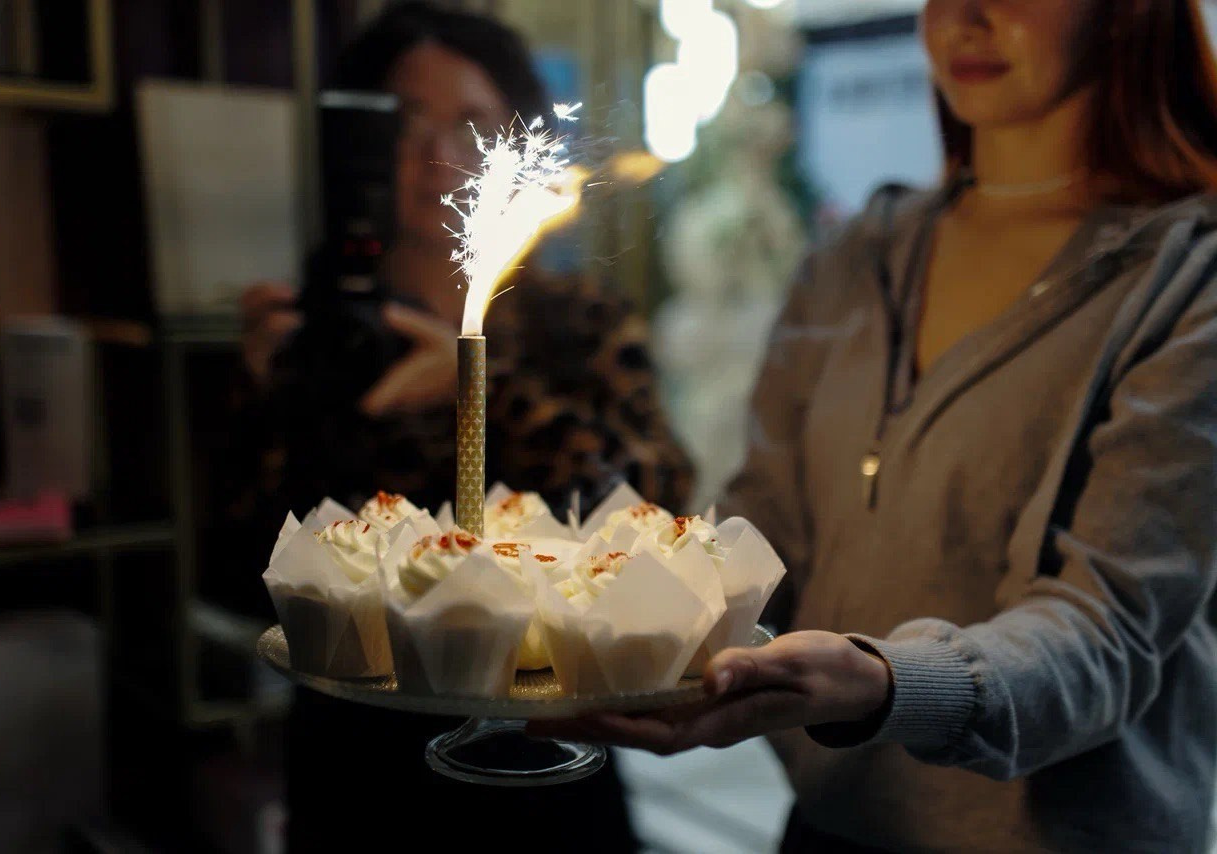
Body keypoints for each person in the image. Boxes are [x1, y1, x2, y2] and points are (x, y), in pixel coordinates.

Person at [533, 1, 1217, 851]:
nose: (965, 17)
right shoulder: (858, 257)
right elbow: (768, 526)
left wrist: (888, 683)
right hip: (834, 822)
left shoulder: (1187, 282)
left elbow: (1109, 627)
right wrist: (622, 620)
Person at [216, 3, 693, 852]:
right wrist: (263, 393)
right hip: (358, 757)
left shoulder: (572, 320)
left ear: (519, 140)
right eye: (403, 123)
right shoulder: (320, 330)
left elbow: (656, 504)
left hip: (550, 732)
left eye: (470, 124)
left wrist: (482, 391)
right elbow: (243, 563)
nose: (435, 156)